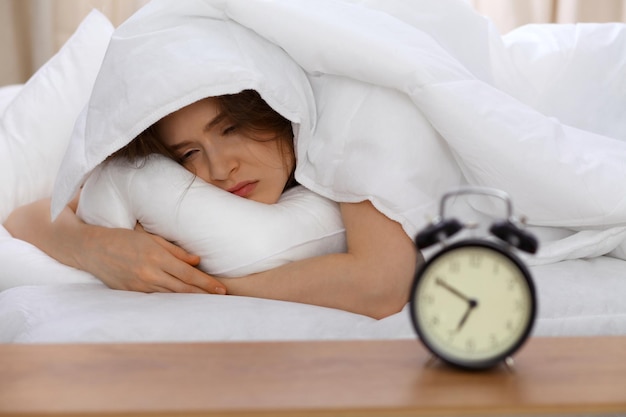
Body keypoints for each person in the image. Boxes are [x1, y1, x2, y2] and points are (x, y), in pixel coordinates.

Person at [4, 89, 419, 320]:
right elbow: (26, 217)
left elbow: (380, 285)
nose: (220, 169)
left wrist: (198, 286)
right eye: (188, 154)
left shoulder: (343, 122)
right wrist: (96, 248)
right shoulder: (169, 182)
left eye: (231, 128)